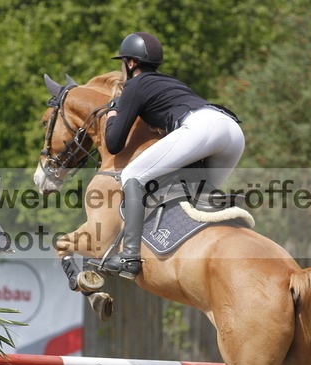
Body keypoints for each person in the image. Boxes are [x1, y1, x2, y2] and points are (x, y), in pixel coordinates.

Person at [103, 32, 245, 280]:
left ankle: (130, 256)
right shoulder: (170, 82)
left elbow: (114, 144)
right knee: (198, 196)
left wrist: (112, 114)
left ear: (131, 63)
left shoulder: (134, 85)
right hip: (232, 132)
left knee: (132, 175)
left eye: (123, 62)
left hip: (202, 127)